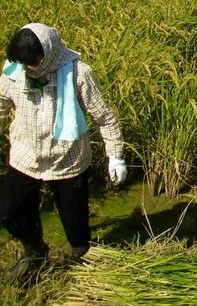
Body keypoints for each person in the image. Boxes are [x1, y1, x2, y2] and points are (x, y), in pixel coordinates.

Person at [0, 23, 127, 280]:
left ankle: (82, 257)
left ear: (48, 53)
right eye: (24, 64)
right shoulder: (13, 73)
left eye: (33, 63)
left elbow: (104, 117)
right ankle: (35, 250)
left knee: (74, 218)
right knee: (9, 211)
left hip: (67, 157)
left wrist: (116, 156)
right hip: (27, 155)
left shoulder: (77, 73)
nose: (29, 69)